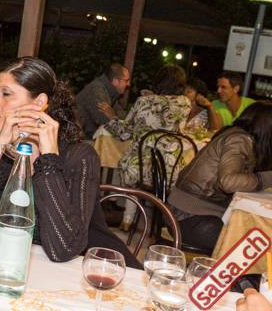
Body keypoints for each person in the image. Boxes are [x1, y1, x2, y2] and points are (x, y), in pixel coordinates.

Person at [0, 57, 142, 268]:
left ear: (39, 103)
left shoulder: (79, 156)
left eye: (5, 93)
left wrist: (48, 160)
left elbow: (63, 249)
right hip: (14, 266)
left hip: (92, 271)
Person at [167, 101, 272, 253]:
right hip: (188, 219)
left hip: (182, 212)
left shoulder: (234, 134)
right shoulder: (240, 139)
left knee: (256, 239)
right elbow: (229, 182)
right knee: (256, 244)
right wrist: (265, 178)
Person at [103, 64, 191, 230]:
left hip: (140, 168)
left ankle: (128, 219)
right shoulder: (185, 103)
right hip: (169, 169)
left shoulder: (143, 101)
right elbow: (167, 107)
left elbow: (124, 133)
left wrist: (112, 117)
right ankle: (162, 224)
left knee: (133, 171)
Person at [75, 63, 130, 139]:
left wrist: (113, 116)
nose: (128, 84)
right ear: (115, 81)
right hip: (78, 140)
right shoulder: (97, 91)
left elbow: (124, 118)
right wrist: (113, 117)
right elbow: (108, 124)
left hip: (87, 137)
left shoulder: (110, 92)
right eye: (126, 80)